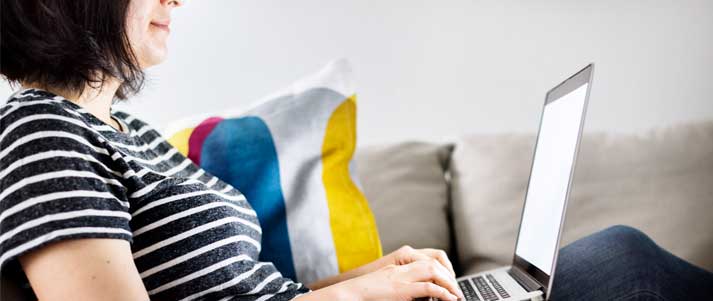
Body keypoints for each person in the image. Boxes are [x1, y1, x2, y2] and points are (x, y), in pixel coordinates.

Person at [0, 1, 710, 300]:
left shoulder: (128, 133)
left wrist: (374, 275)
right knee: (623, 265)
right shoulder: (41, 132)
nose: (176, 0)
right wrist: (354, 295)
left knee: (618, 257)